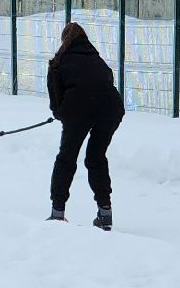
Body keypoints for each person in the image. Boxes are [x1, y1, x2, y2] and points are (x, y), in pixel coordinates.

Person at [45, 21, 125, 230]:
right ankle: (105, 213)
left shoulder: (58, 63)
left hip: (79, 112)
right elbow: (107, 82)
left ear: (64, 40)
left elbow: (55, 102)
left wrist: (63, 114)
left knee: (66, 159)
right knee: (96, 158)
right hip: (110, 111)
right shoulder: (97, 59)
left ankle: (57, 213)